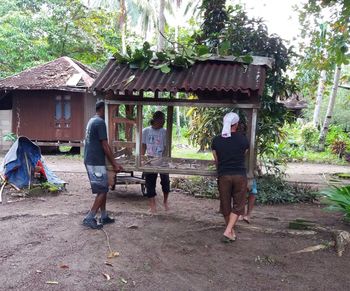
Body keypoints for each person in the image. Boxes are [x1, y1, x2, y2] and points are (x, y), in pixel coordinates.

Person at [83, 100, 123, 229]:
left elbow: (105, 145)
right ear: (102, 109)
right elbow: (105, 146)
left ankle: (104, 216)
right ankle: (90, 217)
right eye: (109, 109)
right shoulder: (100, 122)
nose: (111, 112)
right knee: (103, 189)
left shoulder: (92, 120)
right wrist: (115, 164)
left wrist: (113, 162)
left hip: (92, 159)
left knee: (103, 189)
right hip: (95, 161)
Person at [212, 112, 249, 242]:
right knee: (239, 204)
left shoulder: (216, 140)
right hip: (239, 175)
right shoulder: (243, 140)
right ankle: (229, 230)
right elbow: (243, 156)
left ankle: (230, 231)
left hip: (224, 175)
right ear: (237, 124)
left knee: (225, 203)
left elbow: (216, 160)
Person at [141, 111, 170, 213]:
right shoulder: (146, 131)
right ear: (156, 119)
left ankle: (165, 202)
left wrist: (165, 160)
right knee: (150, 183)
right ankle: (152, 206)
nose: (164, 121)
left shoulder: (165, 132)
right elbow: (143, 146)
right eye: (162, 119)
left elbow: (166, 147)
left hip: (162, 160)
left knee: (165, 182)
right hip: (149, 160)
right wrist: (141, 159)